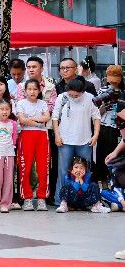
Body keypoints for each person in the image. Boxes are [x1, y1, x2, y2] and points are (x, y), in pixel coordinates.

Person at [52, 76, 100, 206]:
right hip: (65, 139)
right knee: (63, 171)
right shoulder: (62, 97)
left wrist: (96, 135)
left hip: (85, 140)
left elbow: (96, 117)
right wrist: (57, 135)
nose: (73, 97)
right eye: (71, 94)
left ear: (83, 92)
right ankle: (61, 200)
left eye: (76, 95)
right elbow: (55, 117)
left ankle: (86, 200)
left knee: (86, 171)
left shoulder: (90, 98)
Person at [15, 78, 51, 211]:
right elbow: (22, 120)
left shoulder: (43, 103)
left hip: (42, 136)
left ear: (39, 90)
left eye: (35, 89)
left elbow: (47, 117)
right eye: (29, 89)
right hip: (26, 136)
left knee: (43, 167)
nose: (32, 92)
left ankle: (42, 198)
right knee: (25, 167)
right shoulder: (21, 103)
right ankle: (27, 198)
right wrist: (38, 122)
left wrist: (31, 119)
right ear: (25, 91)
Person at [94, 65, 124, 185]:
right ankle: (103, 183)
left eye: (115, 80)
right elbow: (96, 112)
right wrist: (104, 107)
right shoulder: (103, 91)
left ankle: (115, 182)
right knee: (102, 155)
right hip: (104, 126)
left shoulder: (123, 93)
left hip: (118, 128)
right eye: (110, 80)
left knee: (116, 156)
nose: (112, 83)